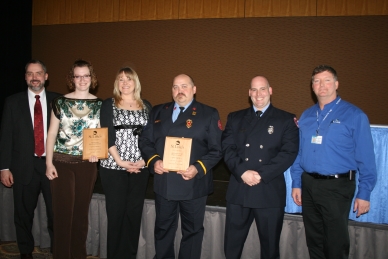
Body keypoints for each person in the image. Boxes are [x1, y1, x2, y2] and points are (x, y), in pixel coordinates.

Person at [291, 65, 377, 259]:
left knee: (335, 242)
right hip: (309, 184)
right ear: (312, 86)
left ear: (336, 84)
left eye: (327, 80)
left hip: (337, 186)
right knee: (314, 240)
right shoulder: (306, 116)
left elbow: (366, 158)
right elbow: (299, 152)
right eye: (317, 81)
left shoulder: (355, 115)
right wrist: (297, 182)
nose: (322, 85)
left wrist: (365, 193)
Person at [139, 74, 223, 259]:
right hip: (165, 181)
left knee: (192, 232)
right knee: (162, 230)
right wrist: (154, 161)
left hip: (194, 183)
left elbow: (217, 150)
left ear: (194, 89)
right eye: (175, 87)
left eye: (184, 86)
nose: (179, 90)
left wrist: (197, 168)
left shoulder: (209, 113)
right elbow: (145, 141)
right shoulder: (158, 111)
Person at [222, 76, 299, 259]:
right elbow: (227, 148)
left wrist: (260, 175)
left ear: (270, 90)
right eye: (254, 90)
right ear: (249, 93)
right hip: (239, 190)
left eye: (262, 89)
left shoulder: (286, 119)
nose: (258, 94)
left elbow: (288, 153)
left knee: (270, 249)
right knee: (231, 247)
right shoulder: (235, 117)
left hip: (268, 190)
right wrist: (243, 172)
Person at [0, 60, 60, 259]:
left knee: (56, 214)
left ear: (46, 76)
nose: (34, 77)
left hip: (52, 165)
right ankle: (25, 252)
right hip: (23, 166)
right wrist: (4, 167)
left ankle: (56, 250)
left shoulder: (58, 101)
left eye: (38, 73)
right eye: (30, 73)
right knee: (23, 215)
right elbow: (6, 136)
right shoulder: (12, 102)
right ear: (25, 77)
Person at [45, 59, 102, 259]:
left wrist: (98, 152)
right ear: (72, 79)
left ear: (91, 77)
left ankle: (78, 255)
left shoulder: (99, 104)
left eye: (86, 75)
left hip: (87, 165)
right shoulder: (60, 102)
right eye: (78, 76)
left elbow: (100, 135)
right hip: (61, 163)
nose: (82, 80)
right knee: (62, 215)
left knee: (80, 216)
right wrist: (48, 163)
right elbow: (51, 134)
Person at [99, 67, 151, 259]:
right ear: (116, 84)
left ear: (136, 82)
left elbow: (152, 136)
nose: (125, 83)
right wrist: (120, 161)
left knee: (133, 214)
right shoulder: (108, 104)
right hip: (114, 168)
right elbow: (106, 135)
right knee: (116, 214)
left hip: (140, 167)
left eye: (129, 79)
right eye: (120, 79)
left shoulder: (146, 105)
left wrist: (143, 160)